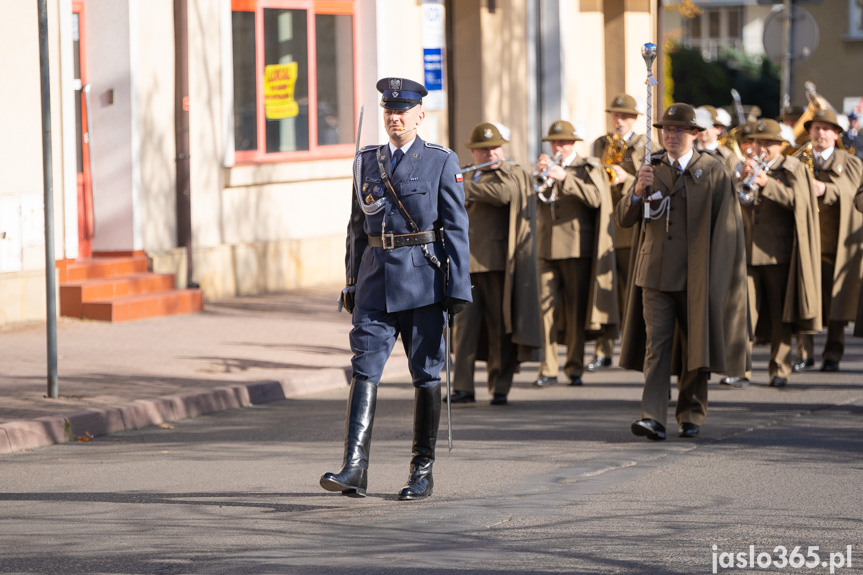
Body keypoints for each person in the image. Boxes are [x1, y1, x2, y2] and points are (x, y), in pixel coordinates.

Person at [321, 77, 471, 501]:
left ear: (419, 116)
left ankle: (421, 471)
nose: (394, 118)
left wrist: (458, 287)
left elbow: (457, 229)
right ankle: (355, 467)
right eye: (389, 111)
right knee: (364, 369)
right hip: (373, 281)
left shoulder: (440, 160)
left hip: (423, 282)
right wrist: (351, 280)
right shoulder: (365, 161)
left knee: (425, 374)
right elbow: (355, 228)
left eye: (402, 112)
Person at [616, 103, 747, 440]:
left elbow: (728, 228)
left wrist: (719, 277)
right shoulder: (649, 167)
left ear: (694, 134)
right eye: (666, 130)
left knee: (694, 346)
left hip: (698, 274)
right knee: (656, 347)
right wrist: (635, 192)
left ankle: (690, 414)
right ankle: (653, 417)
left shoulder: (714, 171)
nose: (671, 136)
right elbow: (624, 219)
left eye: (678, 130)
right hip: (655, 272)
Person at [449, 122, 542, 406]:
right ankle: (462, 386)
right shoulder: (464, 172)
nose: (491, 153)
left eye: (495, 147)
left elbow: (505, 194)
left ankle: (499, 385)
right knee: (463, 328)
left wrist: (463, 189)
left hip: (499, 264)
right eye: (484, 149)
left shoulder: (511, 172)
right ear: (473, 152)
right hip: (465, 264)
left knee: (499, 327)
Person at [734, 119, 821, 388]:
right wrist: (740, 178)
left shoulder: (792, 167)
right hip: (747, 250)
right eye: (759, 143)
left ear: (780, 145)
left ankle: (779, 369)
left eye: (769, 144)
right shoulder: (744, 167)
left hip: (779, 254)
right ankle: (740, 370)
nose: (762, 148)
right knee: (744, 314)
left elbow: (800, 203)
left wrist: (767, 183)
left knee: (780, 316)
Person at [532, 120, 618, 388]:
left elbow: (596, 198)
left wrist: (565, 178)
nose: (559, 146)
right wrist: (542, 177)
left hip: (577, 249)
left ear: (573, 144)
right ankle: (547, 368)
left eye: (564, 142)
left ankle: (574, 366)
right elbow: (533, 201)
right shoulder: (545, 167)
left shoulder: (587, 167)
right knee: (545, 312)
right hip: (546, 247)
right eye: (555, 142)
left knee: (575, 312)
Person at [796, 109, 863, 373]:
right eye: (815, 128)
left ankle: (833, 353)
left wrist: (828, 189)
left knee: (838, 301)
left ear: (836, 135)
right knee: (804, 298)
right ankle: (805, 352)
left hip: (838, 244)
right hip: (805, 242)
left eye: (826, 129)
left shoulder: (851, 162)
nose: (820, 133)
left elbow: (855, 192)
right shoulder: (799, 159)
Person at [587, 94, 647, 372]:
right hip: (605, 224)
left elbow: (652, 178)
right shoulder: (601, 143)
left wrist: (628, 179)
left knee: (633, 291)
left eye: (624, 116)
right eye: (616, 115)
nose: (619, 120)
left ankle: (636, 347)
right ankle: (604, 350)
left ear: (635, 118)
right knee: (604, 290)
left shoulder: (646, 144)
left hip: (631, 227)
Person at [695, 105, 739, 173]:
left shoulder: (728, 157)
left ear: (718, 129)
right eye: (699, 125)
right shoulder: (687, 153)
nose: (702, 130)